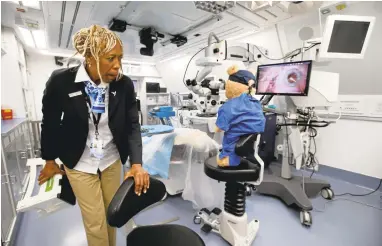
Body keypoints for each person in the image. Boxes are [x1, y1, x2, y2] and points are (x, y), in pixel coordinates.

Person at [38, 25, 149, 246]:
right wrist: (50, 160)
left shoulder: (123, 84)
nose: (117, 65)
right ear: (90, 57)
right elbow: (49, 123)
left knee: (111, 214)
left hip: (110, 159)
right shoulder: (61, 82)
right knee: (95, 222)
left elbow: (132, 125)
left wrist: (136, 163)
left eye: (120, 58)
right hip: (79, 161)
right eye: (110, 58)